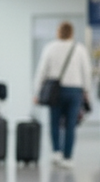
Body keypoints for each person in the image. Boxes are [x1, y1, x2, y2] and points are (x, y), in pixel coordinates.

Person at [33, 21, 92, 168]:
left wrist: (37, 92)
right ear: (72, 33)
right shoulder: (79, 49)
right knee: (71, 124)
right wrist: (87, 90)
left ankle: (56, 152)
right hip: (75, 91)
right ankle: (68, 157)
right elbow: (87, 71)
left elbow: (42, 71)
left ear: (58, 32)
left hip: (56, 91)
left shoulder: (50, 48)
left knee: (54, 121)